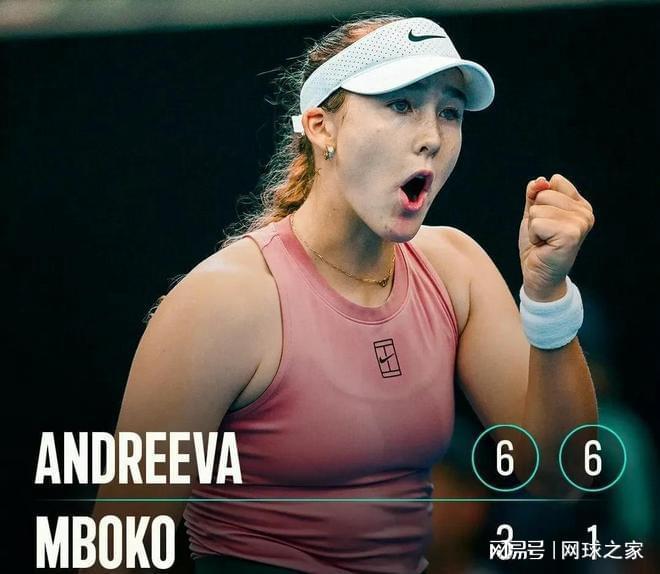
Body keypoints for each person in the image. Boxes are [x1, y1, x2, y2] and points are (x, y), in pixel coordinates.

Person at [91, 14, 597, 574]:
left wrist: (549, 297)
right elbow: (119, 549)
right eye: (400, 104)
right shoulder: (223, 301)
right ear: (321, 126)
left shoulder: (456, 268)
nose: (431, 136)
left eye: (449, 112)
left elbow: (561, 478)